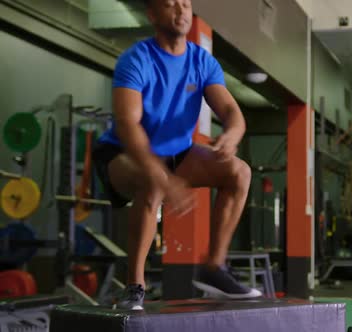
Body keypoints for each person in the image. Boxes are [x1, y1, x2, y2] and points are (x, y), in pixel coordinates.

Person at [93, 0, 261, 310]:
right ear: (153, 14)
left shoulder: (202, 61)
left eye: (185, 3)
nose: (181, 10)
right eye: (171, 4)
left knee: (240, 172)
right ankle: (135, 286)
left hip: (177, 153)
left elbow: (230, 112)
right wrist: (160, 175)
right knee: (152, 180)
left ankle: (214, 268)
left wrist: (232, 135)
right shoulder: (136, 60)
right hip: (122, 152)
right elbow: (128, 126)